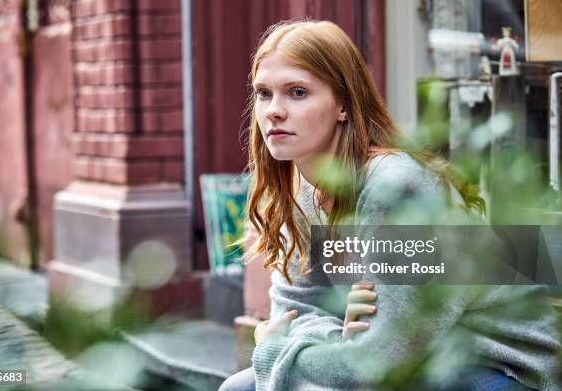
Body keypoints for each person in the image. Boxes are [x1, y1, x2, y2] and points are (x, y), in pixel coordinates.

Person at [219, 20, 560, 391]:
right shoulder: (302, 193)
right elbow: (292, 313)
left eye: (297, 93)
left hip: (496, 367)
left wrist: (275, 349)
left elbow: (379, 363)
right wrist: (337, 336)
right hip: (413, 361)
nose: (274, 111)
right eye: (264, 93)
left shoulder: (396, 187)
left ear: (344, 106)